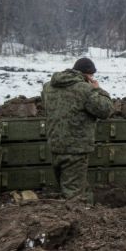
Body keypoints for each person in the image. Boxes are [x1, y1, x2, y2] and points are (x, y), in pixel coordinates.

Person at [42, 57, 113, 202]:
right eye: (91, 76)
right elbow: (105, 110)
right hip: (75, 150)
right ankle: (73, 220)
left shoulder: (48, 87)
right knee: (74, 196)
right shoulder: (85, 89)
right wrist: (98, 89)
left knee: (67, 188)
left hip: (55, 146)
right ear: (87, 74)